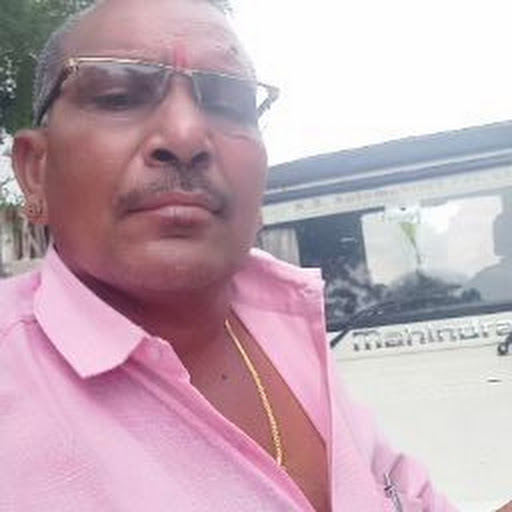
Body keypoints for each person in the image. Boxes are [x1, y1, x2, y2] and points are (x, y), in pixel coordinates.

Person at [1, 0, 461, 510]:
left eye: (228, 103)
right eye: (118, 96)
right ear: (35, 171)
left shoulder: (285, 320)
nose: (185, 135)